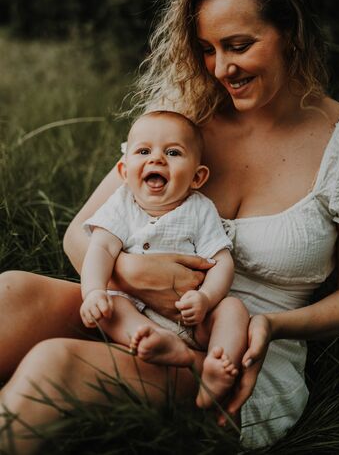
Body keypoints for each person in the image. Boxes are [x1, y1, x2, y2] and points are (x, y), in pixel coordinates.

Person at [0, 0, 339, 455]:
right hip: (132, 314)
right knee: (11, 294)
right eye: (207, 50)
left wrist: (270, 324)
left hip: (232, 361)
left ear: (292, 33)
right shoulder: (184, 121)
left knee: (55, 365)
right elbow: (81, 233)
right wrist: (130, 272)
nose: (219, 69)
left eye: (238, 46)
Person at [79, 110, 248, 408]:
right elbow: (101, 249)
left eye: (172, 152)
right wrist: (93, 291)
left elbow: (222, 261)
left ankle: (217, 366)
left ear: (197, 177)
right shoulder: (121, 204)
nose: (156, 159)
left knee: (233, 309)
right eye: (144, 151)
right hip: (136, 313)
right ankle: (156, 341)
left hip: (193, 317)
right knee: (110, 308)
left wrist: (207, 299)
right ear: (124, 171)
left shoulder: (200, 209)